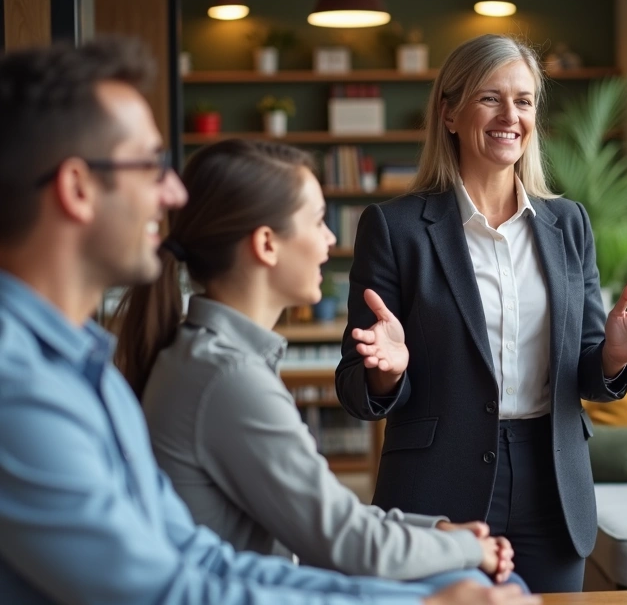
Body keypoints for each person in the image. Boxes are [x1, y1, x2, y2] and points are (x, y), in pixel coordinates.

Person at [0, 36, 536, 605]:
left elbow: (203, 558)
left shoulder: (92, 371)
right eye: (149, 164)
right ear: (78, 188)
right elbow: (165, 591)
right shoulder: (22, 387)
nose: (172, 191)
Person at [334, 34, 627, 593]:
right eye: (490, 99)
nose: (511, 116)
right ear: (449, 112)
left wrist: (613, 357)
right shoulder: (395, 227)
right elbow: (356, 390)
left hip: (552, 480)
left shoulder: (567, 223)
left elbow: (587, 373)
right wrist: (388, 369)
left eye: (524, 101)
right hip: (437, 485)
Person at [114, 138, 517, 586]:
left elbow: (328, 519)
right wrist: (468, 548)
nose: (331, 239)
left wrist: (437, 531)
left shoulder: (210, 358)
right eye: (319, 221)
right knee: (488, 585)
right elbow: (344, 541)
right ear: (267, 244)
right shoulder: (228, 378)